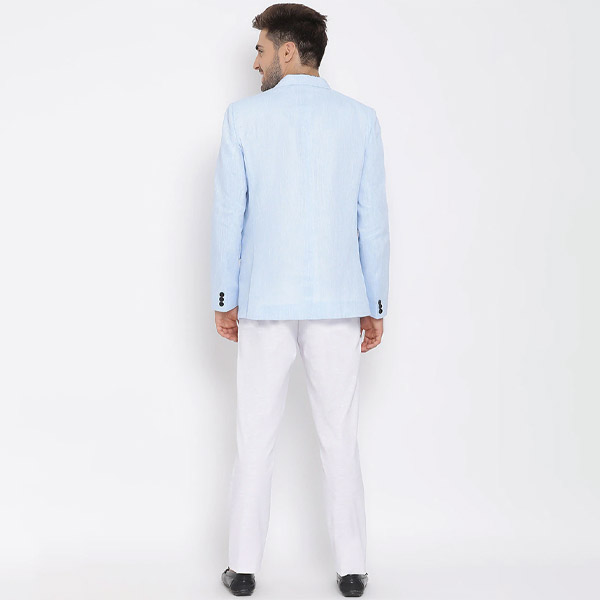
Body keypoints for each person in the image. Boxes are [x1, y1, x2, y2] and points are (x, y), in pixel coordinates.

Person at [211, 3, 390, 596]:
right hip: (339, 303)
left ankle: (242, 569)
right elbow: (372, 224)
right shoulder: (360, 120)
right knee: (339, 438)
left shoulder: (243, 118)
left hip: (264, 303)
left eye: (261, 49)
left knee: (254, 438)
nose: (255, 61)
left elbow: (229, 218)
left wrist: (224, 298)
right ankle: (352, 569)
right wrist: (375, 304)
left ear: (288, 52)